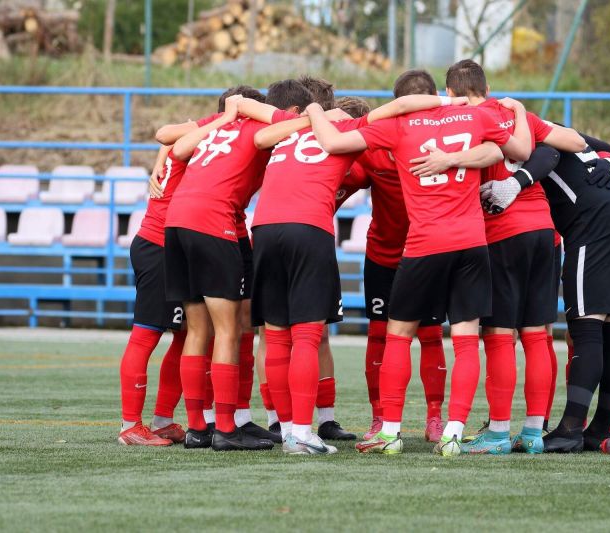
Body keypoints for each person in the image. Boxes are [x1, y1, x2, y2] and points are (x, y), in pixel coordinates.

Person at [306, 86, 533, 455]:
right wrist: (517, 113)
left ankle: (390, 430)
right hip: (472, 243)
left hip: (425, 244)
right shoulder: (477, 116)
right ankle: (453, 432)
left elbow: (333, 142)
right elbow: (518, 150)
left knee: (397, 335)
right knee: (465, 340)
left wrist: (316, 111)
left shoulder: (397, 126)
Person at [246, 91, 468, 455]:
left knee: (275, 334)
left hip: (265, 228)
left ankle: (285, 429)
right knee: (306, 335)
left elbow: (251, 121)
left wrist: (310, 113)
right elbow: (397, 107)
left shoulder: (288, 132)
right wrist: (448, 103)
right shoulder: (350, 132)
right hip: (309, 228)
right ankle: (302, 433)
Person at [411, 59, 586, 454]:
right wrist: (522, 113)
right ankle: (534, 432)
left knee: (499, 338)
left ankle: (497, 434)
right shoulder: (510, 112)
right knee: (538, 336)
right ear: (486, 88)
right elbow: (574, 142)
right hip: (545, 232)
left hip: (500, 233)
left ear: (451, 92)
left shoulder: (455, 120)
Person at [164, 80, 312, 451]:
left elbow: (177, 147)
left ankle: (198, 427)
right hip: (214, 221)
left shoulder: (217, 125)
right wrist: (311, 117)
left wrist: (223, 118)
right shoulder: (258, 128)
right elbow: (266, 139)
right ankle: (226, 429)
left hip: (177, 221)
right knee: (229, 329)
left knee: (197, 330)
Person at [480, 136, 610, 453]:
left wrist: (515, 183)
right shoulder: (551, 130)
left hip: (593, 227)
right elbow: (600, 144)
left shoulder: (533, 133)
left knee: (587, 330)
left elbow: (547, 153)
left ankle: (570, 428)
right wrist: (609, 159)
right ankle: (600, 429)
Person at [334, 71, 454, 443]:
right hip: (394, 254)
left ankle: (408, 417)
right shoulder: (381, 146)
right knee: (401, 335)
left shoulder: (450, 142)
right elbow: (343, 180)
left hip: (420, 252)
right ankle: (402, 418)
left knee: (409, 336)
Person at [117, 97, 230, 446]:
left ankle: (163, 419)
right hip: (159, 245)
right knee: (146, 334)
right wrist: (221, 121)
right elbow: (165, 134)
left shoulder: (214, 143)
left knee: (187, 335)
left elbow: (168, 143)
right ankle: (129, 425)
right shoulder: (208, 130)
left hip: (180, 246)